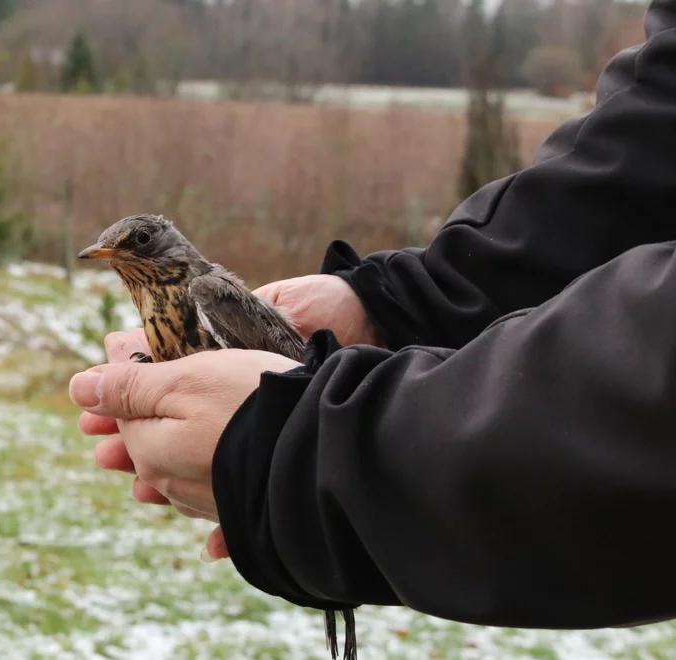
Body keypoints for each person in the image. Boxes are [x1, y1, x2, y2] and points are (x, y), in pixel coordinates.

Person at [71, 0, 676, 629]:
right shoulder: (153, 292)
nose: (111, 254)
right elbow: (647, 153)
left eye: (134, 243)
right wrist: (394, 302)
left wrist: (303, 453)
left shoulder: (206, 293)